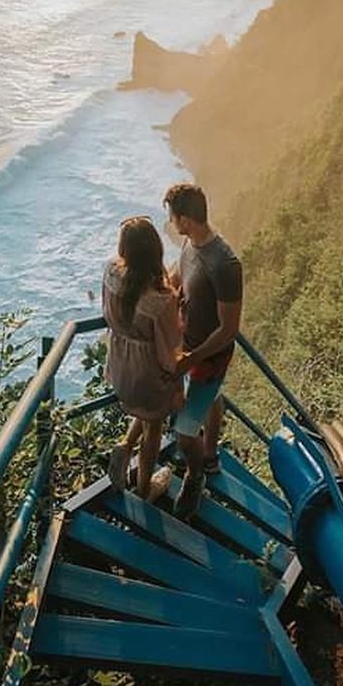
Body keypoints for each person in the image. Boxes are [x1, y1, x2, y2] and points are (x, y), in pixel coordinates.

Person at [163, 181, 243, 521]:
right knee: (210, 399)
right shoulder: (190, 243)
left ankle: (196, 476)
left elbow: (228, 329)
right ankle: (209, 455)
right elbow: (177, 277)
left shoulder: (224, 263)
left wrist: (189, 360)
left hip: (208, 356)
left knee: (183, 432)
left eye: (172, 217)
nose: (170, 223)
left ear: (184, 219)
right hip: (188, 346)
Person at [102, 216, 181, 501]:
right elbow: (170, 348)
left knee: (146, 413)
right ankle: (145, 489)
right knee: (155, 427)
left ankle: (123, 447)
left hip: (121, 364)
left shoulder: (110, 273)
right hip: (147, 372)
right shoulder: (161, 300)